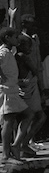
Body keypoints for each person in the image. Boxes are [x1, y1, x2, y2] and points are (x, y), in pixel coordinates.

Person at [0, 27, 33, 165]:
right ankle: (6, 154)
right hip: (7, 90)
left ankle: (15, 145)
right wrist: (1, 76)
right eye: (14, 37)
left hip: (13, 89)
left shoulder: (9, 51)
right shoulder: (3, 52)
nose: (17, 40)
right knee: (8, 121)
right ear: (8, 38)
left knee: (28, 114)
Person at [15, 35, 46, 155]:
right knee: (39, 116)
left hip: (24, 89)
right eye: (29, 46)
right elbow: (35, 70)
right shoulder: (23, 57)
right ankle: (23, 143)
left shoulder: (15, 57)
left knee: (23, 119)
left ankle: (22, 144)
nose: (31, 49)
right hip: (28, 90)